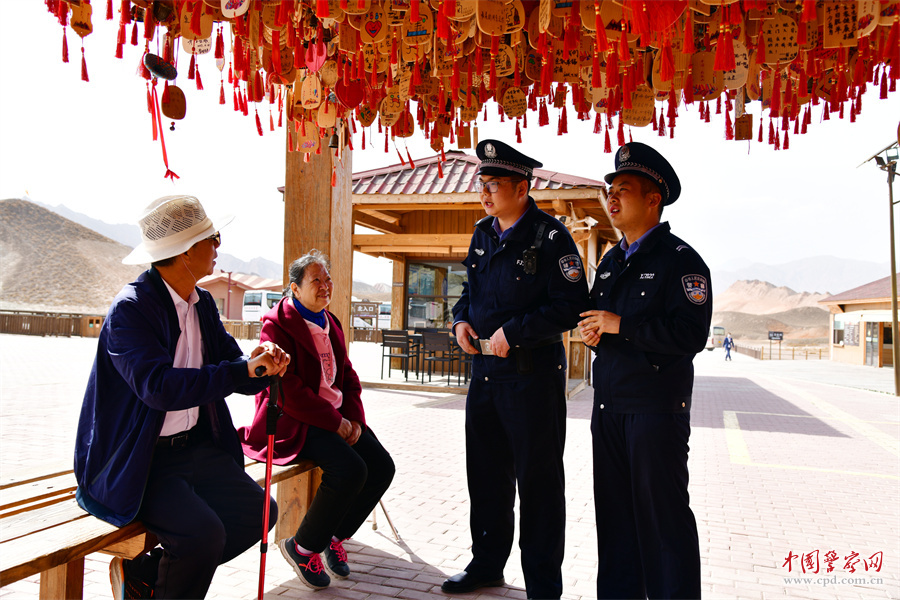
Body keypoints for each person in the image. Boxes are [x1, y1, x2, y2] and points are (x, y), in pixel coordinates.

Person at [73, 195, 291, 600]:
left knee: (259, 515)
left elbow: (231, 367)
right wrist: (238, 371)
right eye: (214, 238)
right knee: (203, 536)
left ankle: (142, 576)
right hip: (140, 460)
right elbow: (158, 388)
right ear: (186, 252)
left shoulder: (201, 302)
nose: (218, 247)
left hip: (193, 447)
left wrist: (261, 366)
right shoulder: (131, 310)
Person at [444, 139, 590, 600]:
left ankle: (543, 586)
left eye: (494, 184)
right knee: (485, 476)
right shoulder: (483, 233)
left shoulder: (551, 238)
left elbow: (570, 307)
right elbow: (470, 291)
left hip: (532, 378)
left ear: (523, 188)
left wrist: (517, 331)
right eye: (481, 183)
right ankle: (486, 564)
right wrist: (460, 319)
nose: (484, 193)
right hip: (485, 376)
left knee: (539, 484)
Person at [579, 142, 711, 599]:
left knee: (663, 521)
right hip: (608, 407)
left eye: (625, 189)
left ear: (654, 198)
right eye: (610, 189)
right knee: (614, 521)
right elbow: (600, 318)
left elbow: (690, 336)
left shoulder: (681, 261)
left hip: (655, 411)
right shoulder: (612, 261)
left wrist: (622, 325)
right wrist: (595, 331)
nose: (612, 198)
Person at [240, 249, 395, 590]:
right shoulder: (277, 326)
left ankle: (332, 536)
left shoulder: (330, 320)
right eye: (316, 281)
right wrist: (333, 421)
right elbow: (288, 388)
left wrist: (353, 418)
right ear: (294, 289)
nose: (325, 286)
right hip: (295, 419)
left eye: (328, 280)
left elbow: (347, 375)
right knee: (351, 470)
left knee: (382, 467)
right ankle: (303, 546)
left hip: (334, 415)